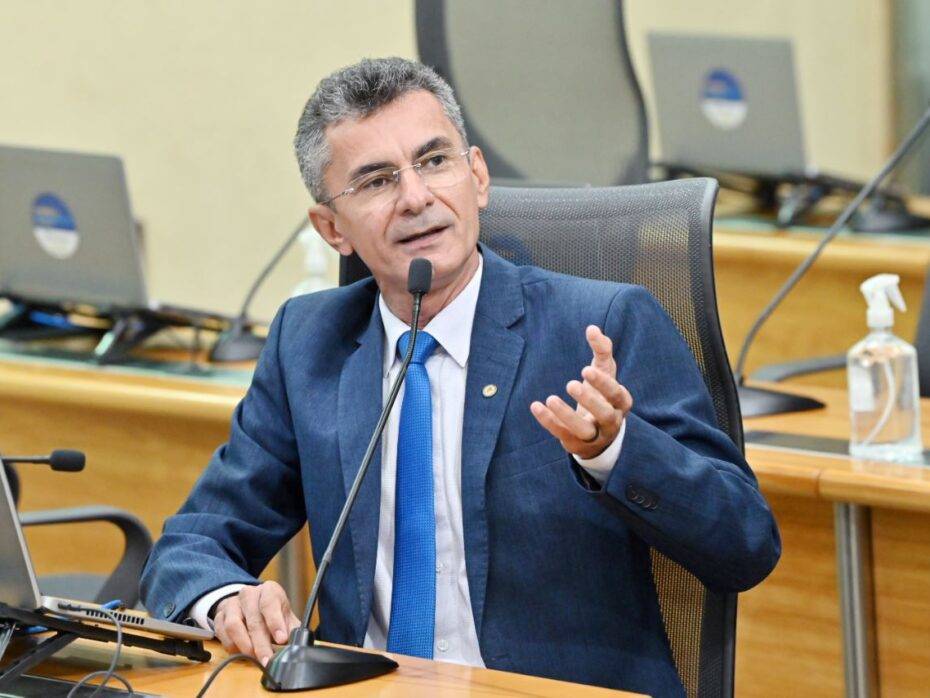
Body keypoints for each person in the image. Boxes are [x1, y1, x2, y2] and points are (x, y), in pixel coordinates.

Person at [140, 57, 780, 696]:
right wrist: (226, 600)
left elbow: (745, 544)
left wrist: (615, 451)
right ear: (332, 228)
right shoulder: (308, 343)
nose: (416, 197)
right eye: (377, 181)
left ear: (477, 175)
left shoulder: (599, 328)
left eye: (434, 161)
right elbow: (192, 544)